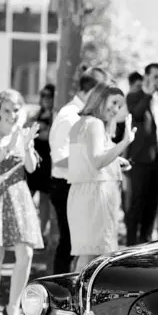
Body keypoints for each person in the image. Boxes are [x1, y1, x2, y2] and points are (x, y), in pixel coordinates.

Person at [0, 89, 44, 315]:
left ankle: (13, 308)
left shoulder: (24, 132)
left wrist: (25, 145)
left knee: (26, 253)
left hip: (18, 194)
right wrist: (8, 145)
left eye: (16, 109)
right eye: (6, 110)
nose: (12, 114)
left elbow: (32, 167)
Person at [48, 66, 109, 273]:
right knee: (69, 244)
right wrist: (92, 162)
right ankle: (58, 294)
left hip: (78, 185)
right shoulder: (69, 116)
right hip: (65, 186)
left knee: (78, 244)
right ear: (90, 91)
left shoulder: (85, 116)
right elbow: (59, 158)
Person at [67, 83, 134, 271]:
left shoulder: (82, 123)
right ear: (100, 98)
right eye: (113, 102)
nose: (115, 109)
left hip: (86, 193)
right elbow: (97, 162)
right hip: (95, 195)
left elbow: (89, 159)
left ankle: (79, 296)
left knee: (88, 254)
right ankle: (81, 298)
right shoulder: (94, 124)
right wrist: (125, 142)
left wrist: (116, 159)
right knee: (93, 256)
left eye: (119, 106)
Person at [125, 62, 158, 245]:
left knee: (152, 204)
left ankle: (144, 241)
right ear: (146, 77)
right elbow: (136, 114)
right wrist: (148, 94)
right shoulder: (134, 97)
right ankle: (130, 242)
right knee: (137, 203)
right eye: (155, 77)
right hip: (141, 160)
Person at [25, 84, 55, 244]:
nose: (46, 99)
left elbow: (47, 136)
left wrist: (38, 130)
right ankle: (27, 229)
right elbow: (26, 129)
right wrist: (38, 129)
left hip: (48, 160)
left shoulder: (55, 116)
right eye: (43, 96)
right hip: (34, 159)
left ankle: (42, 232)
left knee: (44, 197)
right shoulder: (36, 113)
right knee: (27, 196)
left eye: (49, 96)